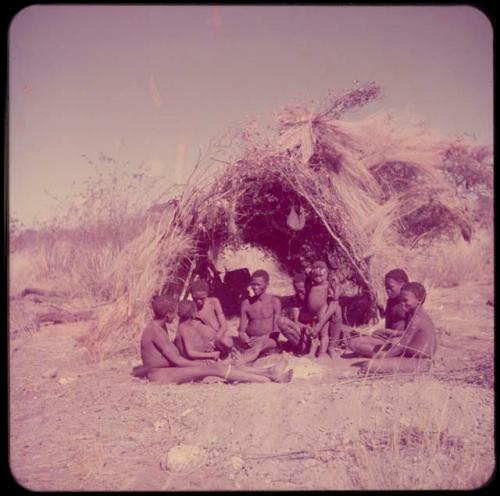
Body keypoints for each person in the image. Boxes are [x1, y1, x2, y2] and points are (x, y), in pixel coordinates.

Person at [132, 295, 293, 384]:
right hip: (160, 375)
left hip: (165, 370)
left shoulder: (159, 326)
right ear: (167, 314)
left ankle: (269, 373)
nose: (175, 317)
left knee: (218, 366)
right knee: (214, 368)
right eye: (174, 313)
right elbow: (178, 361)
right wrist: (201, 363)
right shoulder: (155, 331)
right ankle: (268, 378)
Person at [352, 282, 437, 374]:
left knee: (370, 365)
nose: (402, 303)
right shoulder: (417, 315)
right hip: (414, 358)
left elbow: (401, 346)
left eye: (405, 300)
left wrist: (384, 356)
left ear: (419, 300)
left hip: (421, 362)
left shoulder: (417, 319)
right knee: (377, 360)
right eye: (401, 300)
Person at [345, 268, 409, 349]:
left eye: (390, 287)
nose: (387, 290)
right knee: (353, 342)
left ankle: (386, 356)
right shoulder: (390, 302)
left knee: (356, 344)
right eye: (386, 287)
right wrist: (378, 334)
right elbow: (387, 325)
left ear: (402, 285)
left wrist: (386, 332)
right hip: (389, 340)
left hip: (399, 341)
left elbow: (411, 333)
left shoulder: (408, 305)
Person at [236, 270, 282, 365]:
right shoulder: (246, 303)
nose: (255, 287)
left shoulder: (274, 302)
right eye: (253, 284)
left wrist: (262, 338)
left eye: (258, 284)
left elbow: (276, 332)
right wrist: (245, 339)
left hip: (269, 340)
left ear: (267, 284)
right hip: (251, 341)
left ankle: (240, 362)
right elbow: (241, 331)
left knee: (259, 345)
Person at [189, 278, 233, 355]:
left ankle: (216, 352)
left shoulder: (213, 302)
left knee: (227, 342)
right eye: (195, 298)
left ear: (207, 294)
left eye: (202, 298)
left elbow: (224, 326)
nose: (199, 301)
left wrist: (215, 340)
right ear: (192, 295)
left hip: (216, 338)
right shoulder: (190, 307)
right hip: (200, 341)